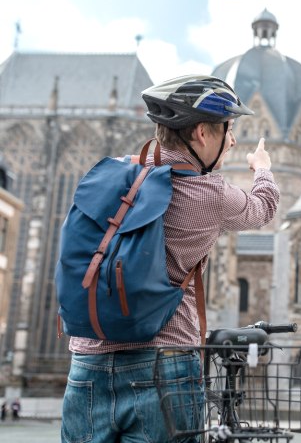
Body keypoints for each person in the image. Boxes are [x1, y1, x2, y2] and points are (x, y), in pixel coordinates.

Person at [60, 75, 280, 443]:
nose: (232, 139)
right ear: (201, 134)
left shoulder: (111, 173)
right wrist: (262, 167)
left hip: (86, 361)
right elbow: (265, 207)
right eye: (228, 129)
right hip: (165, 363)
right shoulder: (209, 194)